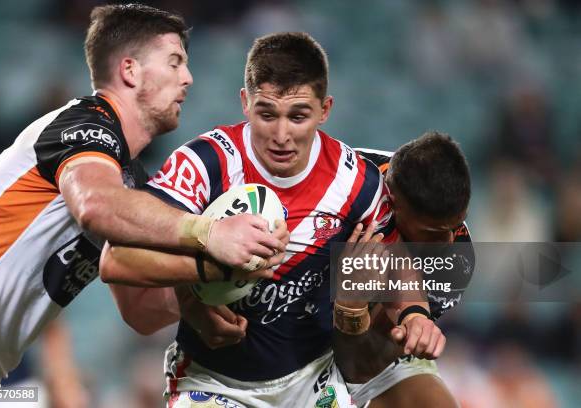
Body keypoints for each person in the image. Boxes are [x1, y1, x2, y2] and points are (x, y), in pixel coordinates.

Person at [100, 32, 444, 407]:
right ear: (245, 103)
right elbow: (117, 258)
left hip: (314, 383)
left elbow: (394, 259)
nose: (282, 136)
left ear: (325, 109)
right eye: (267, 114)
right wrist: (201, 276)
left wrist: (414, 312)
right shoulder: (205, 164)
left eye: (298, 116)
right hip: (214, 384)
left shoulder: (357, 182)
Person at [0, 5, 285, 407]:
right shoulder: (82, 125)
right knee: (45, 398)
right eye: (174, 62)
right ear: (130, 71)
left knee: (34, 398)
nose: (187, 78)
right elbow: (94, 205)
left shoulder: (129, 181)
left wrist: (204, 288)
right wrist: (208, 232)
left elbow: (142, 311)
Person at [337, 135, 473, 408]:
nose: (448, 241)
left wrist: (350, 308)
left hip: (361, 358)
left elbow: (359, 367)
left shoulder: (456, 260)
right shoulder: (341, 177)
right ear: (394, 201)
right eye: (433, 232)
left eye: (456, 225)